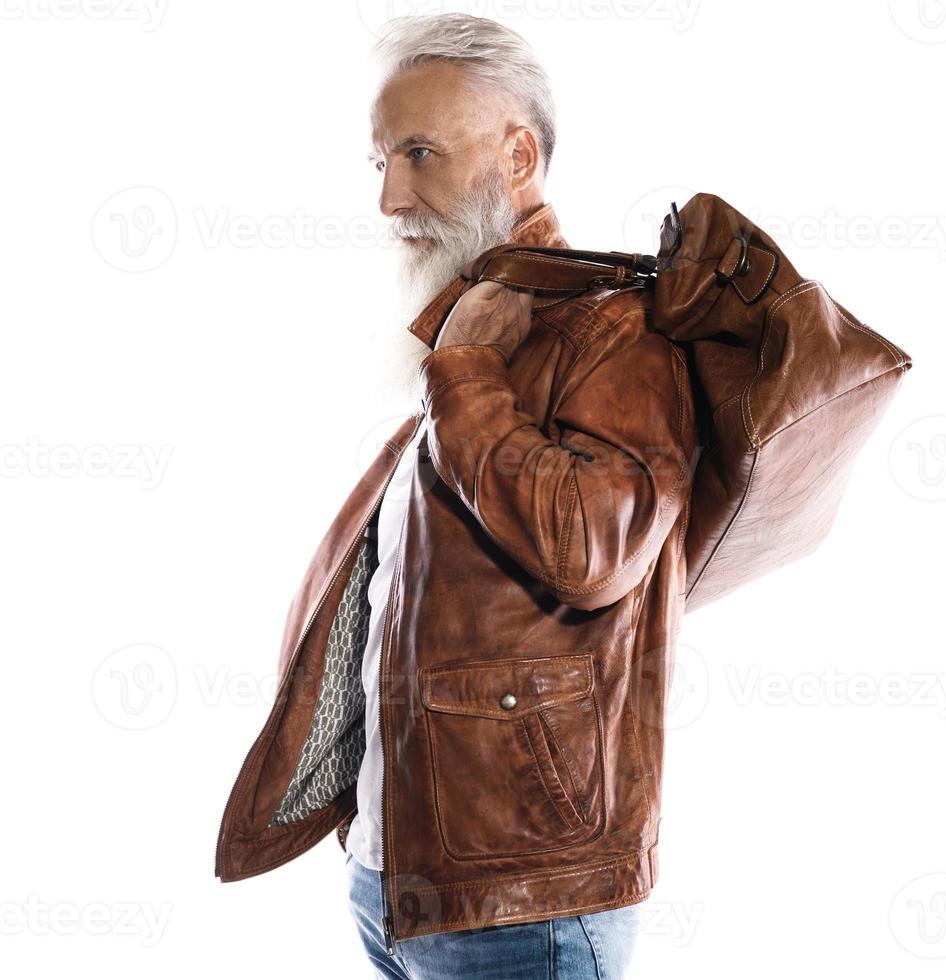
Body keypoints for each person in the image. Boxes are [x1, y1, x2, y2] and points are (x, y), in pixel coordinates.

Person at [214, 14, 696, 979]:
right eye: (381, 160)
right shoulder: (469, 337)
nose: (392, 196)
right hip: (402, 882)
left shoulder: (613, 338)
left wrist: (469, 368)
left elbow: (589, 554)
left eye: (420, 153)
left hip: (528, 904)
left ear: (519, 154)